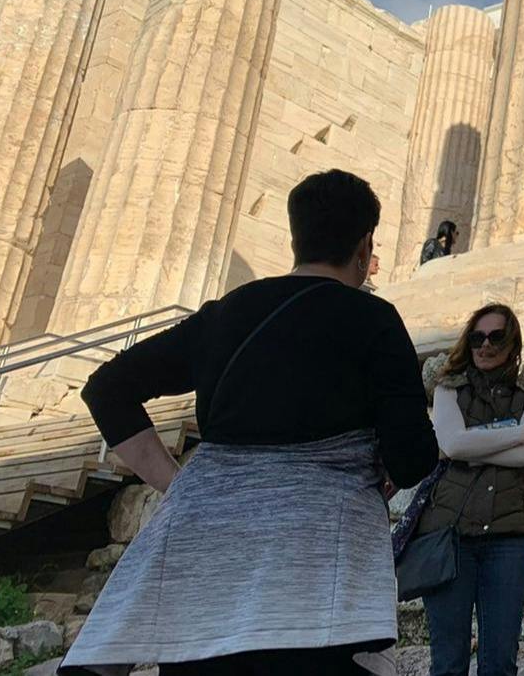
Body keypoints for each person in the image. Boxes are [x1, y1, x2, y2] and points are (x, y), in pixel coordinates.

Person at [62, 170, 439, 676]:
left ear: (294, 237)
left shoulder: (226, 314)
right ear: (365, 243)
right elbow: (413, 455)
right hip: (315, 574)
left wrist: (178, 485)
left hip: (203, 563)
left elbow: (107, 389)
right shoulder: (373, 319)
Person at [416, 303, 524, 676]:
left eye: (496, 337)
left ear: (513, 341)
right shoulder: (448, 386)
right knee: (448, 663)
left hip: (508, 540)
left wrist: (474, 448)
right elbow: (454, 445)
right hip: (449, 536)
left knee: (500, 663)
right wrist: (522, 431)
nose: (485, 345)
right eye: (477, 337)